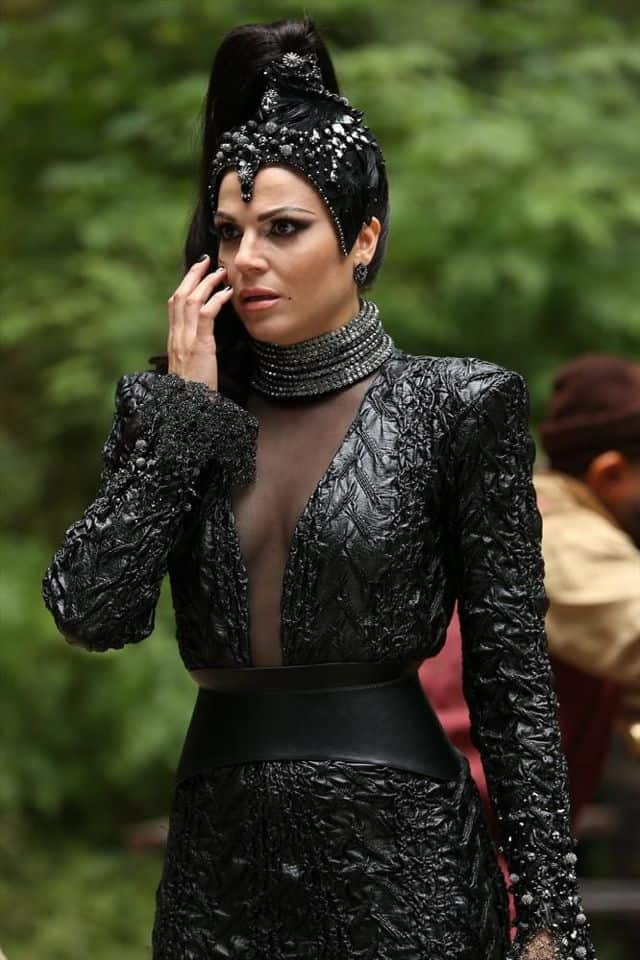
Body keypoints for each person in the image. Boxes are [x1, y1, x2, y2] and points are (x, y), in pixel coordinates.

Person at [41, 18, 596, 960]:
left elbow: (511, 684)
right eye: (229, 232)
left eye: (284, 228)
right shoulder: (175, 413)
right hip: (218, 870)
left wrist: (548, 916)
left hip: (407, 866)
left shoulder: (459, 406)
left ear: (362, 238)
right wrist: (184, 420)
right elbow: (92, 614)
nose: (246, 258)